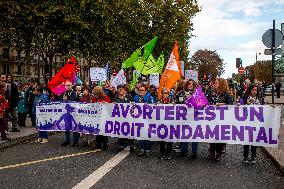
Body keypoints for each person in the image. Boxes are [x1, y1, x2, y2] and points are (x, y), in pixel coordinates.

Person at [208, 78, 233, 162]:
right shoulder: (211, 93)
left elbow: (231, 105)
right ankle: (211, 153)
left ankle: (218, 154)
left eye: (216, 82)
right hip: (212, 118)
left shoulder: (226, 94)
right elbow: (207, 102)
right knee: (211, 136)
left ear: (221, 84)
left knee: (219, 137)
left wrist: (223, 104)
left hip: (222, 119)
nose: (214, 84)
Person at [175, 79, 198, 159]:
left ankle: (194, 153)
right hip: (184, 117)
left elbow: (202, 103)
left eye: (192, 84)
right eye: (189, 84)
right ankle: (183, 151)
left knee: (194, 135)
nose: (190, 85)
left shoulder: (197, 93)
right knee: (184, 134)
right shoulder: (181, 92)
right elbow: (178, 102)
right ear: (186, 85)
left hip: (194, 118)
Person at [240, 84, 263, 164]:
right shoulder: (245, 98)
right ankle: (245, 156)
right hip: (246, 122)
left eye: (256, 90)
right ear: (250, 90)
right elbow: (240, 106)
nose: (254, 91)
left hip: (255, 123)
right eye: (253, 90)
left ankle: (253, 156)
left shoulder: (260, 99)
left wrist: (271, 107)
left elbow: (264, 108)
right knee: (246, 139)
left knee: (254, 140)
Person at [133, 84, 154, 157]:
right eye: (139, 90)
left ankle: (148, 149)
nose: (141, 92)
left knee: (147, 134)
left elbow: (152, 107)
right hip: (139, 119)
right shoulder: (136, 97)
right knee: (140, 134)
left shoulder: (150, 98)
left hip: (147, 119)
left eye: (142, 90)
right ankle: (142, 149)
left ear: (146, 91)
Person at [114, 84, 134, 152]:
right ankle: (121, 145)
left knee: (130, 131)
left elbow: (133, 104)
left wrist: (132, 104)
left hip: (128, 117)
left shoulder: (129, 96)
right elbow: (113, 105)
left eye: (122, 89)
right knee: (121, 130)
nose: (121, 90)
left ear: (125, 90)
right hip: (119, 118)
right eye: (119, 89)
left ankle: (131, 144)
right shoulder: (116, 97)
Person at [92, 86, 111, 150]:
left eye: (96, 94)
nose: (95, 95)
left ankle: (105, 144)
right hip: (97, 117)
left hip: (105, 117)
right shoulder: (94, 98)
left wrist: (106, 104)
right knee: (98, 131)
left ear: (100, 93)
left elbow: (110, 107)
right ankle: (98, 144)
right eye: (94, 94)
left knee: (104, 131)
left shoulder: (106, 97)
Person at [61, 81, 79, 146]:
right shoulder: (64, 93)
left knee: (74, 127)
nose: (67, 87)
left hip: (74, 113)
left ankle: (76, 141)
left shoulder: (75, 93)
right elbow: (62, 104)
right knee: (67, 127)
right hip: (67, 112)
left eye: (69, 85)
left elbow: (78, 103)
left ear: (71, 86)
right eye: (66, 85)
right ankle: (67, 140)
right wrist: (64, 100)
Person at [158, 87, 173, 160]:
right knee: (162, 139)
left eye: (166, 93)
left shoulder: (172, 101)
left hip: (170, 123)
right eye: (164, 93)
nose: (165, 94)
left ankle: (168, 153)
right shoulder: (159, 101)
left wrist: (175, 106)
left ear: (169, 94)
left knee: (169, 139)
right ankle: (162, 153)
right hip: (162, 123)